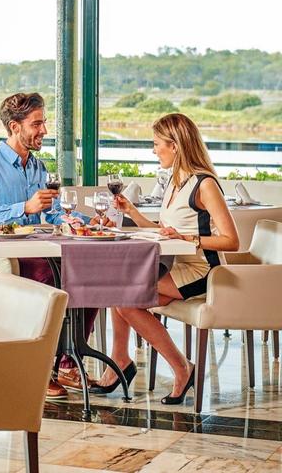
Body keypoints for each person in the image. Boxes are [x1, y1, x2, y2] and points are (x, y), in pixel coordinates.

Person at [0, 92, 108, 399]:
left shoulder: (38, 167)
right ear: (15, 127)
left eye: (44, 122)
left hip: (41, 249)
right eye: (37, 123)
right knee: (46, 276)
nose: (44, 130)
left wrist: (88, 221)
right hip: (6, 258)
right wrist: (23, 207)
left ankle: (68, 364)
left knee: (92, 274)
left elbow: (52, 213)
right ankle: (39, 366)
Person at [92, 113, 239, 405]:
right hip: (178, 266)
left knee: (124, 299)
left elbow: (232, 240)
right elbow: (164, 231)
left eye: (157, 143)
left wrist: (190, 239)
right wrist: (132, 212)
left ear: (175, 145)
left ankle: (181, 369)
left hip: (201, 269)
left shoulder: (204, 184)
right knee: (119, 291)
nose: (153, 149)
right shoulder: (175, 180)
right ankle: (121, 359)